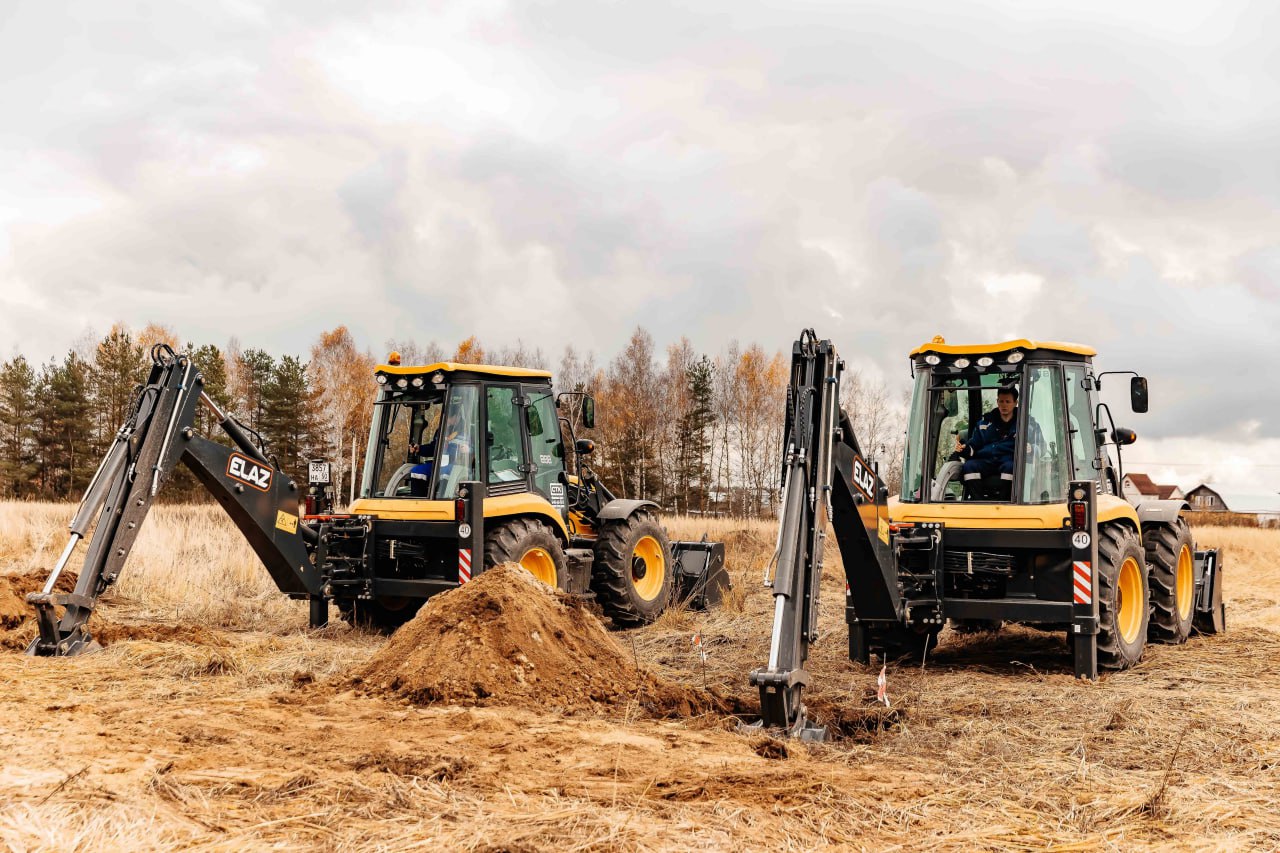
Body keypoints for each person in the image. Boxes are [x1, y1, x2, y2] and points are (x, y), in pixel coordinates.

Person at [954, 386, 1019, 499]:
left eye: (1007, 401)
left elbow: (1038, 446)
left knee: (1012, 467)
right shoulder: (984, 424)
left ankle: (1005, 502)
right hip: (986, 461)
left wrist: (1032, 448)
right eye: (1001, 401)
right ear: (997, 402)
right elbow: (973, 446)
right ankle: (978, 502)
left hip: (1008, 461)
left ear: (1015, 403)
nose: (1004, 405)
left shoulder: (1026, 424)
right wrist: (964, 448)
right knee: (969, 466)